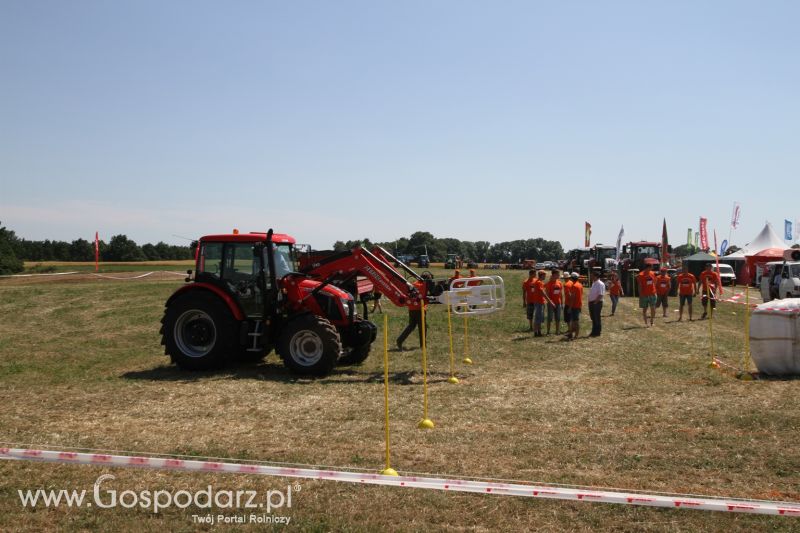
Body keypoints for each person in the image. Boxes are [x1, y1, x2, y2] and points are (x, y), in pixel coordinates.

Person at [396, 273, 430, 350]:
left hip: (411, 309)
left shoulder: (413, 284)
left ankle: (399, 340)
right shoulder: (423, 285)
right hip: (419, 309)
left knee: (411, 326)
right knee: (422, 327)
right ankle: (423, 345)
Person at [530, 270, 550, 337]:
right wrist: (549, 301)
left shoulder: (539, 282)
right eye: (544, 275)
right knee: (537, 318)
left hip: (540, 302)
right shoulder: (538, 282)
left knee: (539, 317)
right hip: (539, 302)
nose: (545, 276)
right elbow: (542, 292)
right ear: (541, 275)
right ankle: (536, 332)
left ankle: (539, 332)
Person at [545, 269, 563, 335]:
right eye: (558, 274)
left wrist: (562, 303)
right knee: (549, 318)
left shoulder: (559, 283)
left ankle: (557, 331)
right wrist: (550, 302)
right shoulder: (549, 284)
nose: (559, 275)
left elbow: (560, 294)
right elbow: (547, 294)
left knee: (558, 318)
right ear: (554, 275)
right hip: (551, 304)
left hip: (558, 303)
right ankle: (548, 332)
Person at [587, 270, 605, 337]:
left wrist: (595, 302)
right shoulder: (594, 283)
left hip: (596, 303)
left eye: (592, 275)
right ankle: (594, 331)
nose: (591, 277)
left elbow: (601, 294)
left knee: (596, 318)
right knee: (593, 318)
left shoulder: (600, 284)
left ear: (596, 276)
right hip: (592, 303)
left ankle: (597, 332)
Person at [565, 272, 583, 340]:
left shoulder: (574, 286)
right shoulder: (580, 284)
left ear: (572, 278)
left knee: (575, 321)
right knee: (573, 320)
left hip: (575, 306)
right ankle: (571, 334)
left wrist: (570, 307)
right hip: (578, 304)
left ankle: (576, 336)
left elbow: (573, 298)